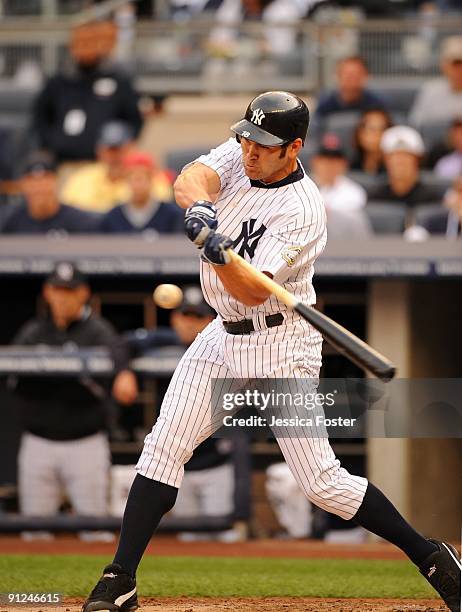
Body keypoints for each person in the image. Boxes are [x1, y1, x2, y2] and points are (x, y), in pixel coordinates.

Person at [82, 91, 461, 612]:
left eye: (264, 144)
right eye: (247, 137)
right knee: (163, 446)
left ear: (294, 147)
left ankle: (430, 555)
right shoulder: (241, 154)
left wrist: (216, 253)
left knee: (322, 483)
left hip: (281, 343)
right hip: (220, 335)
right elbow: (189, 179)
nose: (249, 150)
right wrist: (199, 211)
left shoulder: (304, 209)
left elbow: (254, 291)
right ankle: (120, 574)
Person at [10, 262, 138, 536]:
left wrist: (123, 371)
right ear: (47, 292)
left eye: (70, 290)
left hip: (86, 443)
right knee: (34, 532)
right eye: (57, 289)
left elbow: (120, 348)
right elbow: (13, 383)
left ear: (83, 293)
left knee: (95, 530)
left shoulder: (98, 331)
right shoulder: (34, 332)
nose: (63, 297)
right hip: (38, 443)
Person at [124, 286, 237, 541]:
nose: (189, 323)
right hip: (179, 465)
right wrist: (124, 372)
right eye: (185, 315)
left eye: (197, 317)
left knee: (225, 538)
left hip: (215, 462)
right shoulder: (163, 340)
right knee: (189, 541)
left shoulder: (229, 346)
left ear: (211, 321)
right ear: (175, 318)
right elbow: (122, 344)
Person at [32, 20, 142, 162]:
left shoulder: (118, 80)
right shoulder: (57, 82)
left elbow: (133, 120)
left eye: (90, 41)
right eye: (80, 42)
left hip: (102, 164)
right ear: (72, 46)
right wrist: (50, 143)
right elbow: (40, 117)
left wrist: (123, 147)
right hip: (61, 161)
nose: (85, 47)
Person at [60, 122, 172, 212]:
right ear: (99, 151)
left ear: (132, 149)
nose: (115, 156)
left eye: (120, 150)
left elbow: (161, 209)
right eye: (109, 150)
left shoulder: (150, 178)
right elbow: (67, 211)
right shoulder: (81, 179)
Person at [1, 156, 101, 234]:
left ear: (56, 182)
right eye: (33, 182)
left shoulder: (80, 221)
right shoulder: (11, 221)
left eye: (45, 182)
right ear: (23, 185)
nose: (39, 188)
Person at [99, 151, 183, 234]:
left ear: (152, 179)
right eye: (133, 179)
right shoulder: (113, 217)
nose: (138, 185)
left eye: (142, 179)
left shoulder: (171, 215)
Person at [310, 133, 371, 237]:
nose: (329, 165)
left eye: (335, 160)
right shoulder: (302, 186)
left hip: (343, 244)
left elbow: (347, 221)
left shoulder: (354, 191)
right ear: (315, 162)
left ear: (344, 164)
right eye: (325, 160)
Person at [368, 125, 444, 207]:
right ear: (385, 160)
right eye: (395, 156)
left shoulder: (432, 199)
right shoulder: (375, 198)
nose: (400, 161)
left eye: (406, 156)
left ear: (417, 161)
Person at [314, 56, 387, 123]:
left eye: (357, 75)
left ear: (366, 76)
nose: (352, 80)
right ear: (338, 76)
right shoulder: (325, 105)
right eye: (348, 75)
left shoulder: (376, 105)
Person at [409, 35, 462, 127]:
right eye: (455, 64)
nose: (459, 70)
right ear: (444, 65)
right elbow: (416, 124)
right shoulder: (430, 91)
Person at [350, 109, 393, 175]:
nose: (376, 134)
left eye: (382, 128)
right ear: (359, 134)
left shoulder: (394, 169)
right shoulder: (349, 167)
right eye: (371, 128)